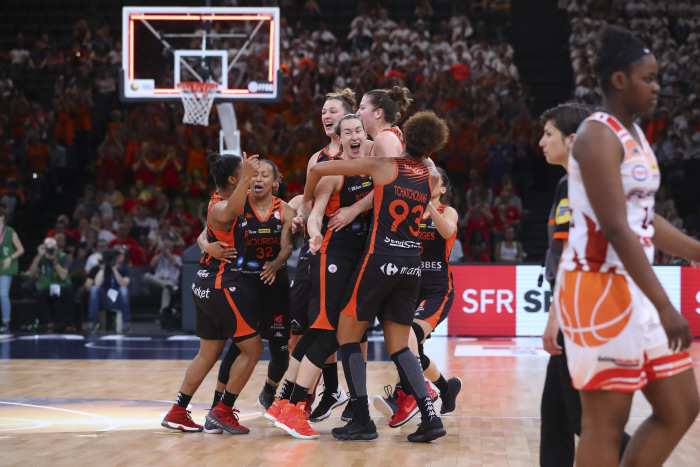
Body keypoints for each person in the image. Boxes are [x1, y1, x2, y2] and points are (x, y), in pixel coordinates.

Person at [556, 26, 700, 467]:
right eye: (649, 78)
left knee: (680, 407)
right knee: (606, 423)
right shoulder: (597, 135)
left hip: (632, 285)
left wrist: (697, 250)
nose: (658, 87)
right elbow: (617, 229)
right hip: (596, 288)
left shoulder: (635, 134)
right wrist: (665, 304)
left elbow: (643, 220)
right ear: (619, 80)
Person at [302, 109, 449, 443]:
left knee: (347, 335)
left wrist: (310, 196)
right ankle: (429, 416)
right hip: (412, 264)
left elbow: (322, 167)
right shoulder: (428, 178)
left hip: (380, 259)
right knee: (401, 347)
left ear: (405, 137)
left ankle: (362, 418)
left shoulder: (385, 166)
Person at [538, 102, 634, 467]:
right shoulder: (586, 180)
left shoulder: (573, 183)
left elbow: (567, 255)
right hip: (581, 308)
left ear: (573, 139)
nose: (541, 142)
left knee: (580, 417)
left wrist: (554, 319)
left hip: (578, 312)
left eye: (548, 134)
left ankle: (643, 458)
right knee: (555, 416)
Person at [266, 114, 373, 439]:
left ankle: (282, 404)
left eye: (358, 130)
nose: (353, 136)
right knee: (330, 335)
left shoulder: (374, 167)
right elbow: (314, 214)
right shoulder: (333, 173)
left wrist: (355, 210)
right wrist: (314, 234)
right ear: (339, 140)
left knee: (317, 335)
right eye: (347, 132)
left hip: (353, 260)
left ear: (365, 136)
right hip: (332, 257)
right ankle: (296, 408)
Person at [161, 152, 261, 435]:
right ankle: (223, 411)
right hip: (219, 286)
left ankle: (178, 411)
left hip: (207, 284)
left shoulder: (222, 204)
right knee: (254, 349)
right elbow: (228, 213)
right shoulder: (222, 207)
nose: (251, 175)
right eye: (244, 172)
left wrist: (204, 244)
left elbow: (205, 233)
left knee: (208, 353)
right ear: (233, 179)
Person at [198, 158, 295, 433]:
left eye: (266, 175)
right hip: (244, 284)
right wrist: (208, 247)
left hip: (275, 282)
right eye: (255, 175)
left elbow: (287, 246)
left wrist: (276, 264)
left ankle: (269, 389)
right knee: (239, 347)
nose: (259, 179)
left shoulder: (284, 210)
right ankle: (218, 407)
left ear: (275, 182)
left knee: (279, 351)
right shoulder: (238, 206)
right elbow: (205, 232)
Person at [372, 168, 462, 425]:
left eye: (435, 181)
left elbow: (446, 232)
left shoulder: (447, 211)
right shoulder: (408, 210)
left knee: (406, 335)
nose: (428, 182)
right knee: (413, 351)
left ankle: (405, 394)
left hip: (436, 289)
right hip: (408, 285)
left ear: (442, 189)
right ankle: (445, 388)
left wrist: (428, 207)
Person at [28, 237, 73, 332]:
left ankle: (67, 323)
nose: (50, 250)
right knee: (39, 294)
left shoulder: (63, 256)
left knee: (69, 290)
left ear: (56, 247)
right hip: (46, 286)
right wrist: (38, 256)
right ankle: (48, 322)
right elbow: (31, 273)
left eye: (52, 247)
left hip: (61, 285)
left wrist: (54, 261)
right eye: (47, 247)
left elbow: (63, 276)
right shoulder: (41, 257)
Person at [85, 246, 132, 333]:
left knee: (124, 290)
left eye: (121, 254)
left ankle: (126, 322)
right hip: (105, 299)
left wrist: (114, 269)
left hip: (118, 300)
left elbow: (124, 284)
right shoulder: (103, 268)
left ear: (125, 255)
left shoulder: (126, 268)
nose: (118, 256)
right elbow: (97, 283)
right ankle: (92, 321)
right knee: (95, 289)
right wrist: (102, 268)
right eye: (116, 254)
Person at [0, 207, 25, 332]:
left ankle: (6, 322)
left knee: (3, 294)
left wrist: (10, 258)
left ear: (2, 217)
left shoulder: (10, 232)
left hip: (6, 267)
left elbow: (21, 249)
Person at [143, 238, 182, 315]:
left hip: (171, 281)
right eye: (164, 247)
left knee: (166, 288)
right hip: (157, 281)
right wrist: (161, 253)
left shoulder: (177, 257)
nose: (165, 249)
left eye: (167, 247)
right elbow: (152, 264)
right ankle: (167, 286)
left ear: (171, 248)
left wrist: (168, 253)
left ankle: (163, 314)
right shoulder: (158, 257)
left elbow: (175, 263)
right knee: (146, 275)